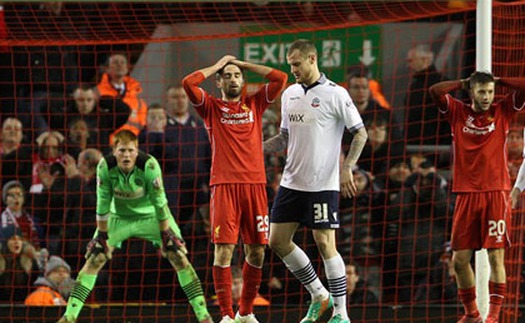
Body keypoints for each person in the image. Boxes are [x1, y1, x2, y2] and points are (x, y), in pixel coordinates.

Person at [57, 130, 211, 323]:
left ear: (137, 150)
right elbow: (103, 203)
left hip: (153, 217)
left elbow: (160, 202)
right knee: (95, 259)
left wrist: (165, 232)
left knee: (177, 255)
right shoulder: (104, 167)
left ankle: (203, 316)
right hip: (118, 218)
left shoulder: (150, 165)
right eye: (122, 151)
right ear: (114, 151)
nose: (126, 155)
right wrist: (102, 235)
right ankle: (69, 317)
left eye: (130, 150)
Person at [264, 39, 367, 323]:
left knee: (324, 243)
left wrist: (347, 167)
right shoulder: (289, 94)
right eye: (290, 64)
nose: (293, 69)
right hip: (291, 182)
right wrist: (255, 147)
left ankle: (341, 314)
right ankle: (319, 294)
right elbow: (284, 137)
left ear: (312, 59)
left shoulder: (336, 94)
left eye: (296, 63)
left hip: (323, 184)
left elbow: (360, 133)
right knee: (277, 241)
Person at [182, 55, 287, 323]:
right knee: (224, 251)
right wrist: (219, 65)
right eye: (227, 76)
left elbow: (280, 78)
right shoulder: (211, 108)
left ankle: (246, 312)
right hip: (224, 186)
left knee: (257, 250)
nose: (232, 79)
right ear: (219, 82)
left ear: (243, 81)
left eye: (237, 76)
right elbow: (189, 83)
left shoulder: (256, 104)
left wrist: (243, 64)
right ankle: (227, 316)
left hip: (255, 186)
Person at [429, 71, 525, 323]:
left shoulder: (503, 110)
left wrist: (500, 81)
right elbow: (436, 91)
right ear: (471, 92)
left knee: (496, 256)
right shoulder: (457, 112)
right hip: (465, 194)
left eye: (490, 92)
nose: (486, 96)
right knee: (459, 260)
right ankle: (473, 314)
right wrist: (461, 83)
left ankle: (493, 316)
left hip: (496, 192)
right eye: (481, 91)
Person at [405, 44, 451, 148]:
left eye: (411, 61)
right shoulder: (414, 86)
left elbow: (449, 118)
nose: (408, 66)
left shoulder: (442, 84)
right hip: (414, 148)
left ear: (425, 59)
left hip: (436, 149)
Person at [97, 53, 148, 140]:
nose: (119, 65)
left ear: (127, 68)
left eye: (122, 62)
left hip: (132, 145)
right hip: (108, 144)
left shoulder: (137, 97)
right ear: (107, 69)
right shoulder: (98, 93)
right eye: (115, 62)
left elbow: (143, 124)